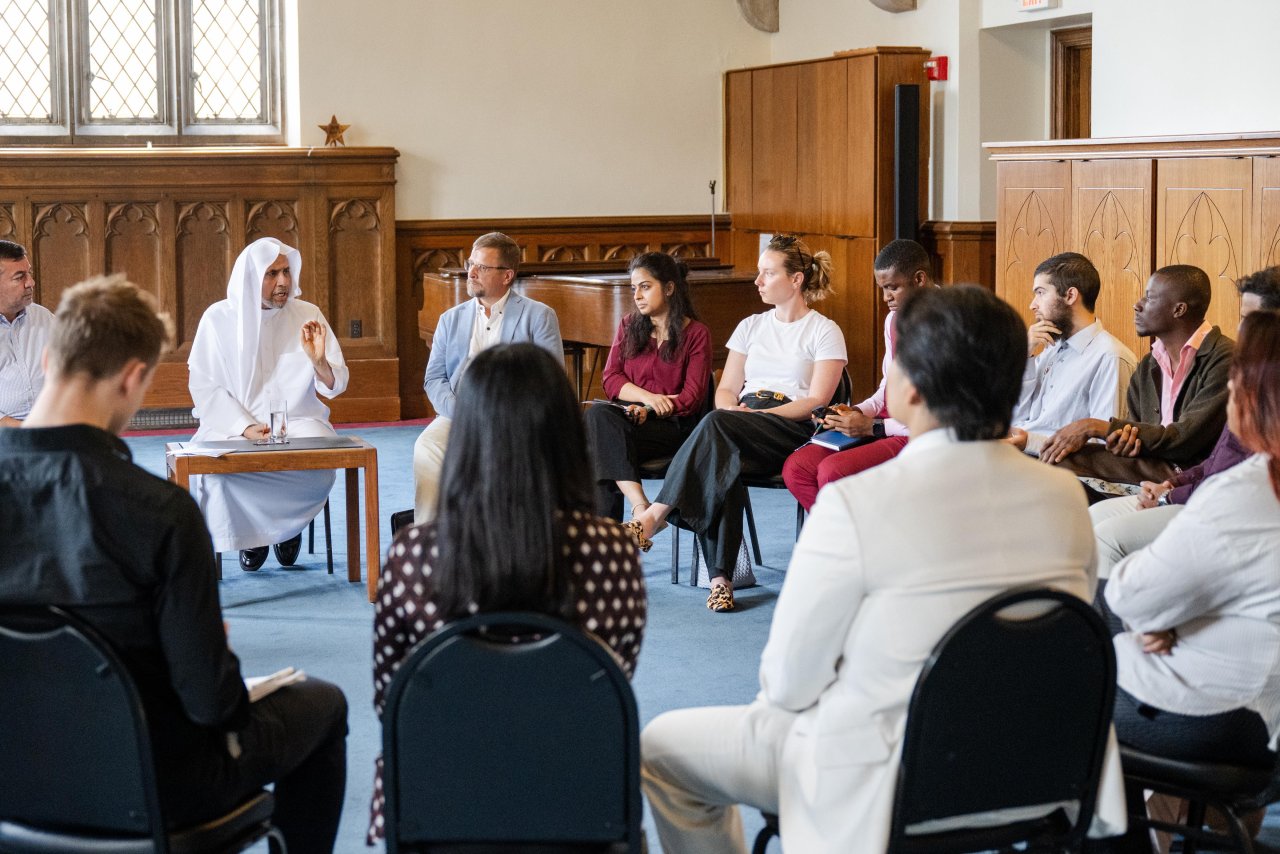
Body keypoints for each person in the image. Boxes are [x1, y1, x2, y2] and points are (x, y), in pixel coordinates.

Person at [640, 285, 1099, 854]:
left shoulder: (859, 503)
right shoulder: (1064, 496)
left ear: (909, 385)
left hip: (891, 774)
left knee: (661, 747)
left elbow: (787, 683)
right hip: (1031, 765)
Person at [0, 276, 348, 853]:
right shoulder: (158, 513)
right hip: (151, 781)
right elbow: (213, 705)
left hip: (13, 775)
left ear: (46, 357)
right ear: (135, 378)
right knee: (323, 703)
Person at [368, 342, 646, 843]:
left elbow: (393, 700)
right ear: (566, 436)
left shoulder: (412, 555)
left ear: (465, 436)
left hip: (440, 802)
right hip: (577, 799)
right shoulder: (612, 552)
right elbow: (611, 677)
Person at [1100, 310, 1280, 853]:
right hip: (1263, 699)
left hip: (1231, 715)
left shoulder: (1251, 488)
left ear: (1253, 394)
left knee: (1066, 673)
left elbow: (1131, 593)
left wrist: (1154, 620)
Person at [626, 235, 847, 612]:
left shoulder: (824, 330)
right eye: (759, 273)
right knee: (722, 462)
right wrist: (735, 411)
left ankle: (654, 515)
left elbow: (817, 401)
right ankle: (721, 582)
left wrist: (755, 417)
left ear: (795, 280)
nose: (758, 281)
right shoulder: (750, 326)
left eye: (767, 273)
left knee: (718, 428)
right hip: (739, 423)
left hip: (790, 426)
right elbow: (726, 389)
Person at [1089, 267, 1279, 579]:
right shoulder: (1149, 365)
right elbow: (1218, 460)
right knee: (1092, 513)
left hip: (1221, 506)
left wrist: (1168, 493)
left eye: (1249, 319)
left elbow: (1216, 464)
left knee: (1106, 538)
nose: (1239, 326)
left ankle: (1115, 624)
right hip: (1177, 482)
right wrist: (1169, 486)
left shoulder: (1233, 365)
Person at [188, 237, 349, 571]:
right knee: (215, 474)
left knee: (320, 461)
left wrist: (319, 362)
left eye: (287, 272)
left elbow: (337, 385)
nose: (284, 282)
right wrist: (244, 426)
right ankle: (255, 537)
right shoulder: (218, 319)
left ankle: (288, 529)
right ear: (251, 277)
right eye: (272, 273)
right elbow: (204, 386)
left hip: (299, 422)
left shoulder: (308, 315)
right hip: (233, 426)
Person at [413, 231, 563, 523]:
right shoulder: (450, 318)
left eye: (482, 267)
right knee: (427, 447)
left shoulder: (539, 316)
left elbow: (551, 379)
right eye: (471, 263)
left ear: (507, 275)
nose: (471, 272)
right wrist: (462, 412)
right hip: (459, 414)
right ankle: (430, 542)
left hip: (516, 419)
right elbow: (434, 378)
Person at [1041, 264, 1233, 486]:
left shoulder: (1226, 358)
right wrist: (1124, 440)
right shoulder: (1148, 365)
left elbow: (1185, 439)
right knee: (1057, 460)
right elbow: (1135, 431)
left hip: (1196, 475)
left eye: (1149, 298)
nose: (1137, 305)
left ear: (1178, 310)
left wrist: (1096, 426)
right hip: (1152, 466)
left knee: (1060, 465)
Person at [781, 238, 932, 511]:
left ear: (919, 279)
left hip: (920, 433)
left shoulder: (949, 324)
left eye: (892, 288)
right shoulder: (893, 321)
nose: (886, 297)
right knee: (797, 468)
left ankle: (850, 547)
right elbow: (887, 387)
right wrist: (854, 412)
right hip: (886, 425)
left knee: (832, 472)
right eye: (882, 288)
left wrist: (875, 427)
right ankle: (844, 543)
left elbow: (937, 415)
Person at [586, 251, 712, 520]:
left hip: (672, 429)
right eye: (634, 289)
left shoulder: (696, 334)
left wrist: (652, 409)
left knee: (599, 442)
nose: (637, 296)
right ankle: (641, 508)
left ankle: (608, 546)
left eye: (645, 287)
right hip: (628, 420)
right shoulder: (629, 325)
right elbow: (611, 379)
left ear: (669, 287)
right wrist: (648, 398)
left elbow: (692, 396)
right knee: (599, 419)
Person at [1007, 252, 1137, 456]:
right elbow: (1017, 418)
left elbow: (1104, 445)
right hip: (1023, 460)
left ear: (1070, 296)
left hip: (1069, 474)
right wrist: (1025, 355)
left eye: (1040, 293)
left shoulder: (1110, 357)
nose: (1032, 304)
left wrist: (1029, 442)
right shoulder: (1050, 347)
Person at [0, 240, 54, 426]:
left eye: (28, 273)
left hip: (49, 430)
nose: (30, 282)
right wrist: (25, 431)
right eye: (19, 277)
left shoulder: (43, 317)